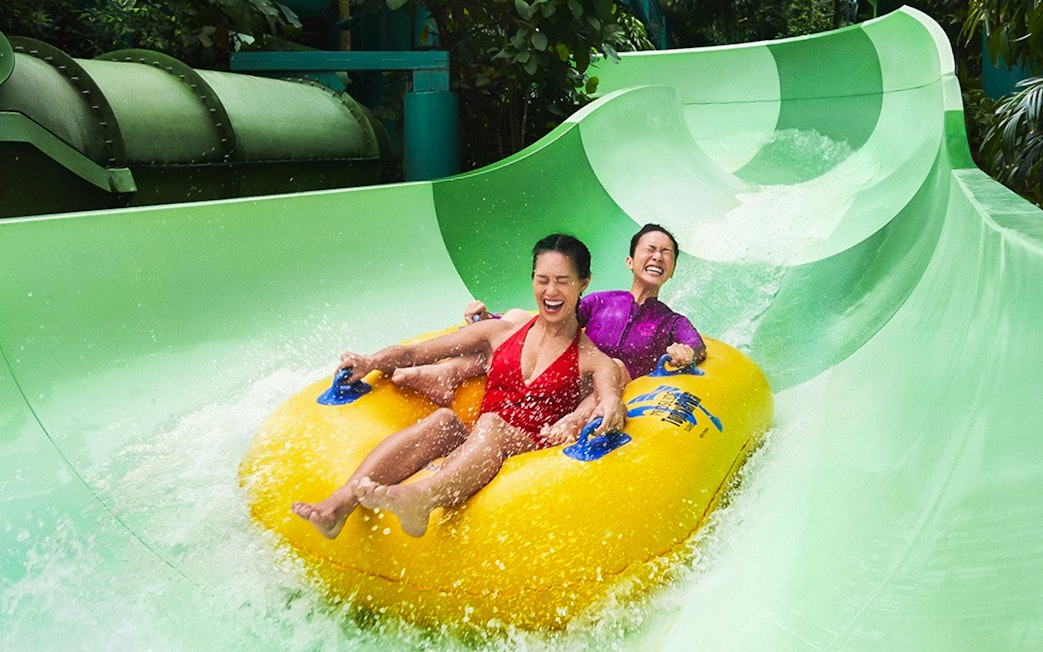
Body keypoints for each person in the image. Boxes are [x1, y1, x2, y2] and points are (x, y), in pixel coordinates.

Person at [291, 234, 626, 539]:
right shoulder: (501, 332)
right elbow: (417, 352)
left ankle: (424, 497)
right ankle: (338, 505)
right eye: (542, 280)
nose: (550, 292)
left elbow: (610, 396)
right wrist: (370, 361)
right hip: (482, 440)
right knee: (443, 422)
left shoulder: (592, 358)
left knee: (491, 424)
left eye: (562, 282)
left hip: (531, 453)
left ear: (584, 282)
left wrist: (603, 410)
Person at [392, 223, 706, 406]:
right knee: (515, 319)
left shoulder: (671, 322)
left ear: (673, 269)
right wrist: (493, 319)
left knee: (616, 367)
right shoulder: (601, 302)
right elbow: (549, 321)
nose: (657, 256)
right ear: (629, 261)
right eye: (649, 249)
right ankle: (449, 372)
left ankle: (574, 425)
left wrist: (687, 352)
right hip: (566, 376)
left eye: (666, 253)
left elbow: (696, 345)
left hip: (602, 391)